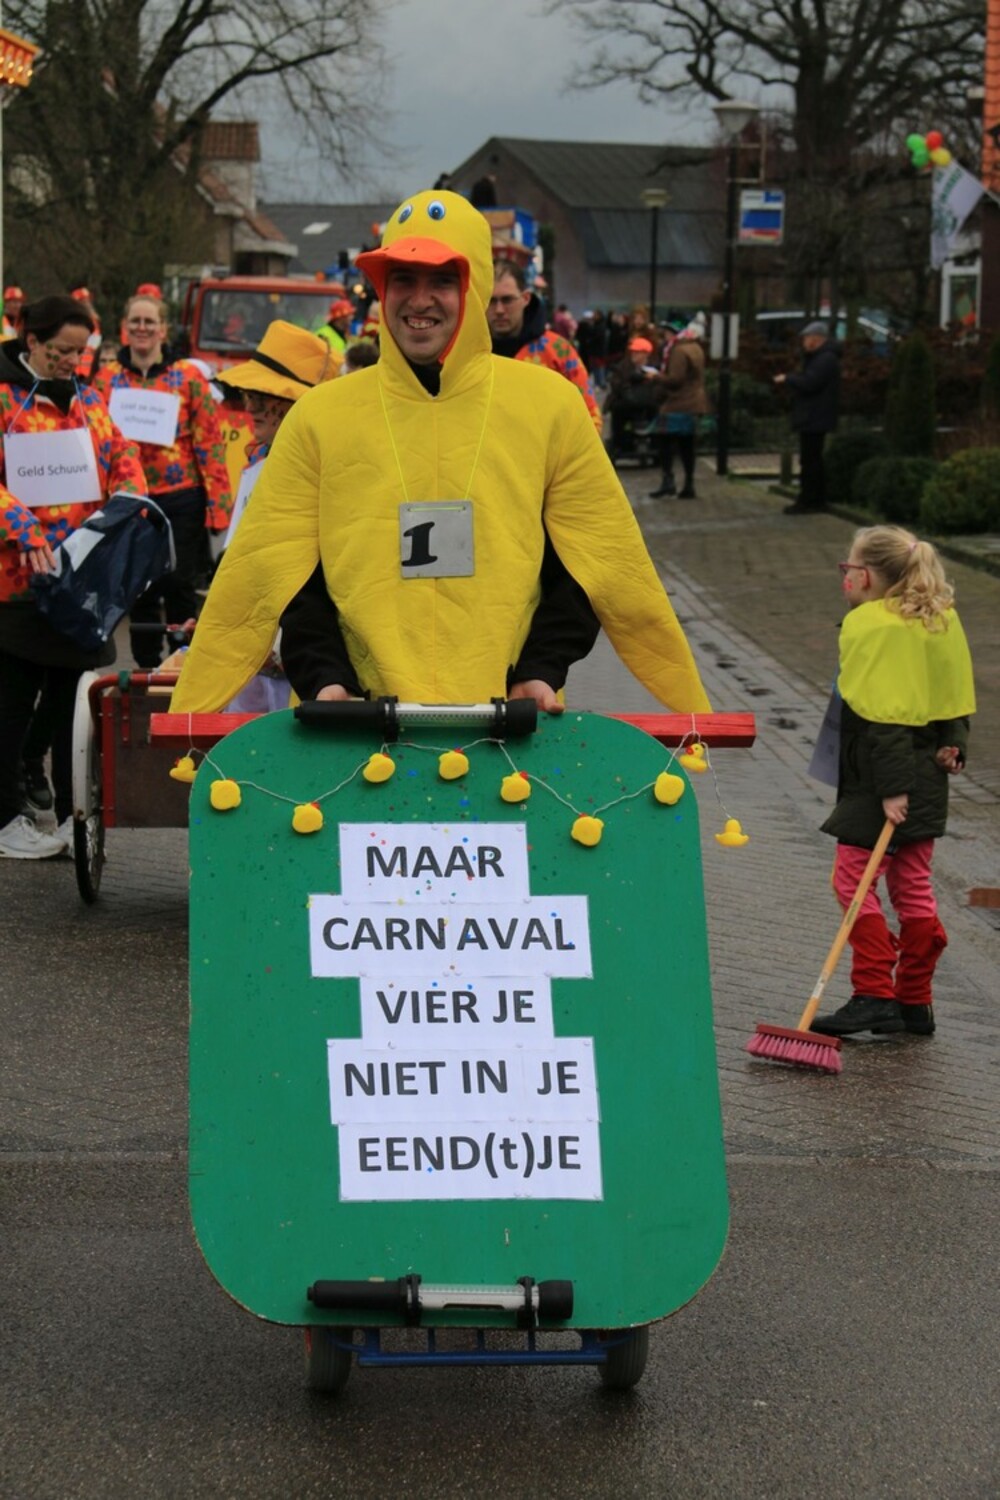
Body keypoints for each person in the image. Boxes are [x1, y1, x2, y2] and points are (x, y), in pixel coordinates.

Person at [170, 188, 710, 718]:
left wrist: (541, 669)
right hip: (355, 726)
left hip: (507, 723)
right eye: (403, 278)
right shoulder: (318, 417)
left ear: (474, 288)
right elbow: (272, 570)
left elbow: (597, 561)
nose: (419, 299)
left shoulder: (552, 406)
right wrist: (326, 677)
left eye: (442, 280)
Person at [810, 526, 975, 1039]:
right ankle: (914, 1001)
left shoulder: (876, 627)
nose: (845, 577)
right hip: (928, 778)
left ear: (867, 575)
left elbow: (886, 720)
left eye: (848, 568)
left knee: (851, 881)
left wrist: (891, 789)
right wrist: (953, 743)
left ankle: (874, 993)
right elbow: (952, 696)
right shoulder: (936, 617)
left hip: (882, 781)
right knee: (913, 886)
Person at [0, 294, 147, 858]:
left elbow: (121, 453)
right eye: (61, 350)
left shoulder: (87, 399)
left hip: (81, 581)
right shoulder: (5, 397)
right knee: (12, 703)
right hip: (16, 583)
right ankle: (6, 818)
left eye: (79, 351)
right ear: (32, 341)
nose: (71, 361)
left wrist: (129, 497)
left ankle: (72, 815)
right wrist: (23, 527)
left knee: (72, 705)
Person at [182, 320, 339, 711]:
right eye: (248, 393)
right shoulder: (257, 462)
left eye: (263, 395)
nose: (249, 405)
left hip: (300, 668)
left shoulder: (326, 471)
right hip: (251, 665)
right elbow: (243, 556)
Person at [95, 293, 232, 666]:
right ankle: (145, 667)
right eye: (135, 321)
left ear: (163, 329)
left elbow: (209, 442)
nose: (142, 328)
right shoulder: (107, 379)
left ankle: (184, 662)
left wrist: (219, 505)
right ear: (125, 327)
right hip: (130, 498)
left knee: (179, 583)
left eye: (149, 322)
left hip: (181, 497)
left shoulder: (187, 377)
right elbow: (96, 440)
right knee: (138, 586)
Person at [486, 260, 603, 435]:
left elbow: (589, 418)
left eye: (507, 300)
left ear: (526, 298)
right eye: (491, 300)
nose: (499, 310)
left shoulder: (558, 351)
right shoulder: (466, 353)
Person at [774, 320, 841, 514]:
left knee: (810, 460)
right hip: (815, 415)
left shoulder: (825, 359)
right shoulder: (821, 358)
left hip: (814, 416)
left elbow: (810, 382)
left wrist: (788, 379)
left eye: (806, 338)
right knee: (812, 459)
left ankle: (809, 500)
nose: (804, 342)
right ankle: (815, 499)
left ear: (816, 339)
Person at [649, 319, 710, 499]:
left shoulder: (678, 350)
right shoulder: (695, 347)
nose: (664, 336)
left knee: (665, 442)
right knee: (687, 445)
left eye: (667, 333)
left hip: (678, 403)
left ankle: (668, 481)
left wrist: (655, 376)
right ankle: (689, 484)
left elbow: (676, 379)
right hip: (695, 401)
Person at [604, 336, 660, 461]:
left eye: (637, 352)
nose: (634, 354)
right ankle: (619, 444)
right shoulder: (623, 367)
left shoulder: (654, 368)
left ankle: (655, 443)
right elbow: (616, 383)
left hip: (648, 403)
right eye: (633, 351)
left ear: (646, 354)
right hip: (626, 403)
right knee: (618, 413)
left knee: (657, 413)